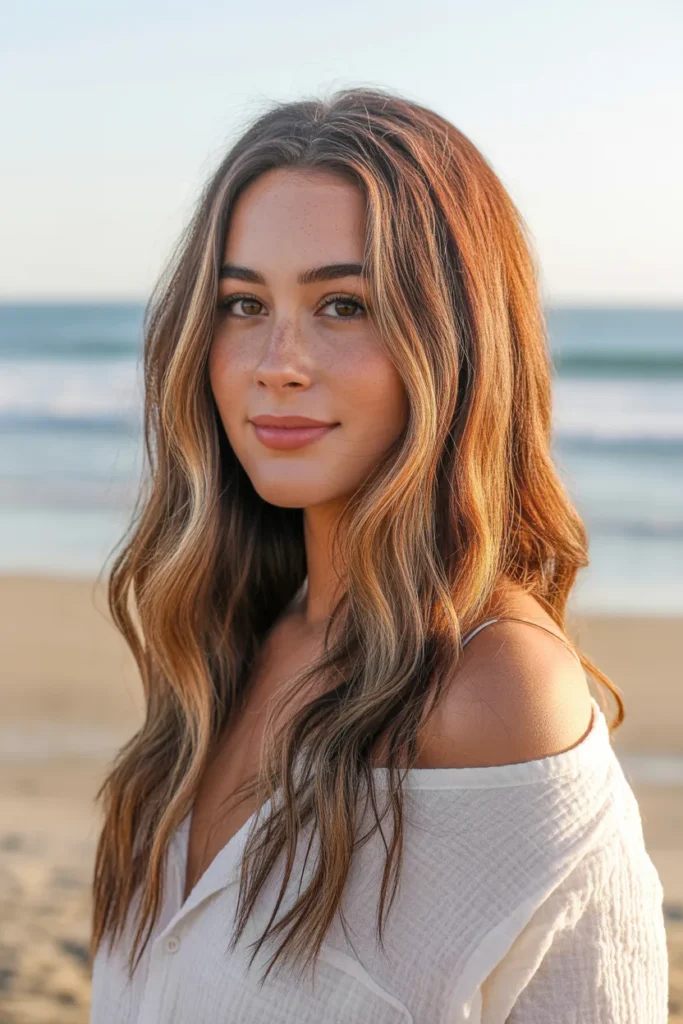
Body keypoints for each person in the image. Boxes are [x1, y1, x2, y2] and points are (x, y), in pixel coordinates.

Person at [88, 86, 668, 1022]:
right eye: (243, 303)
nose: (277, 358)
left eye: (344, 304)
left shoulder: (491, 691)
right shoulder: (231, 645)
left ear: (456, 339)